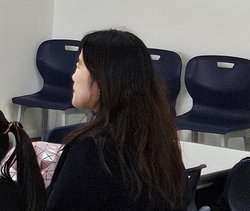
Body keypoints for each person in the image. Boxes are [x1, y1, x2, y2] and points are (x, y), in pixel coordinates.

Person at [45, 30, 185, 211]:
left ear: (102, 78)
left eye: (79, 66)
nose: (73, 76)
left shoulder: (92, 148)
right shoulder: (159, 142)